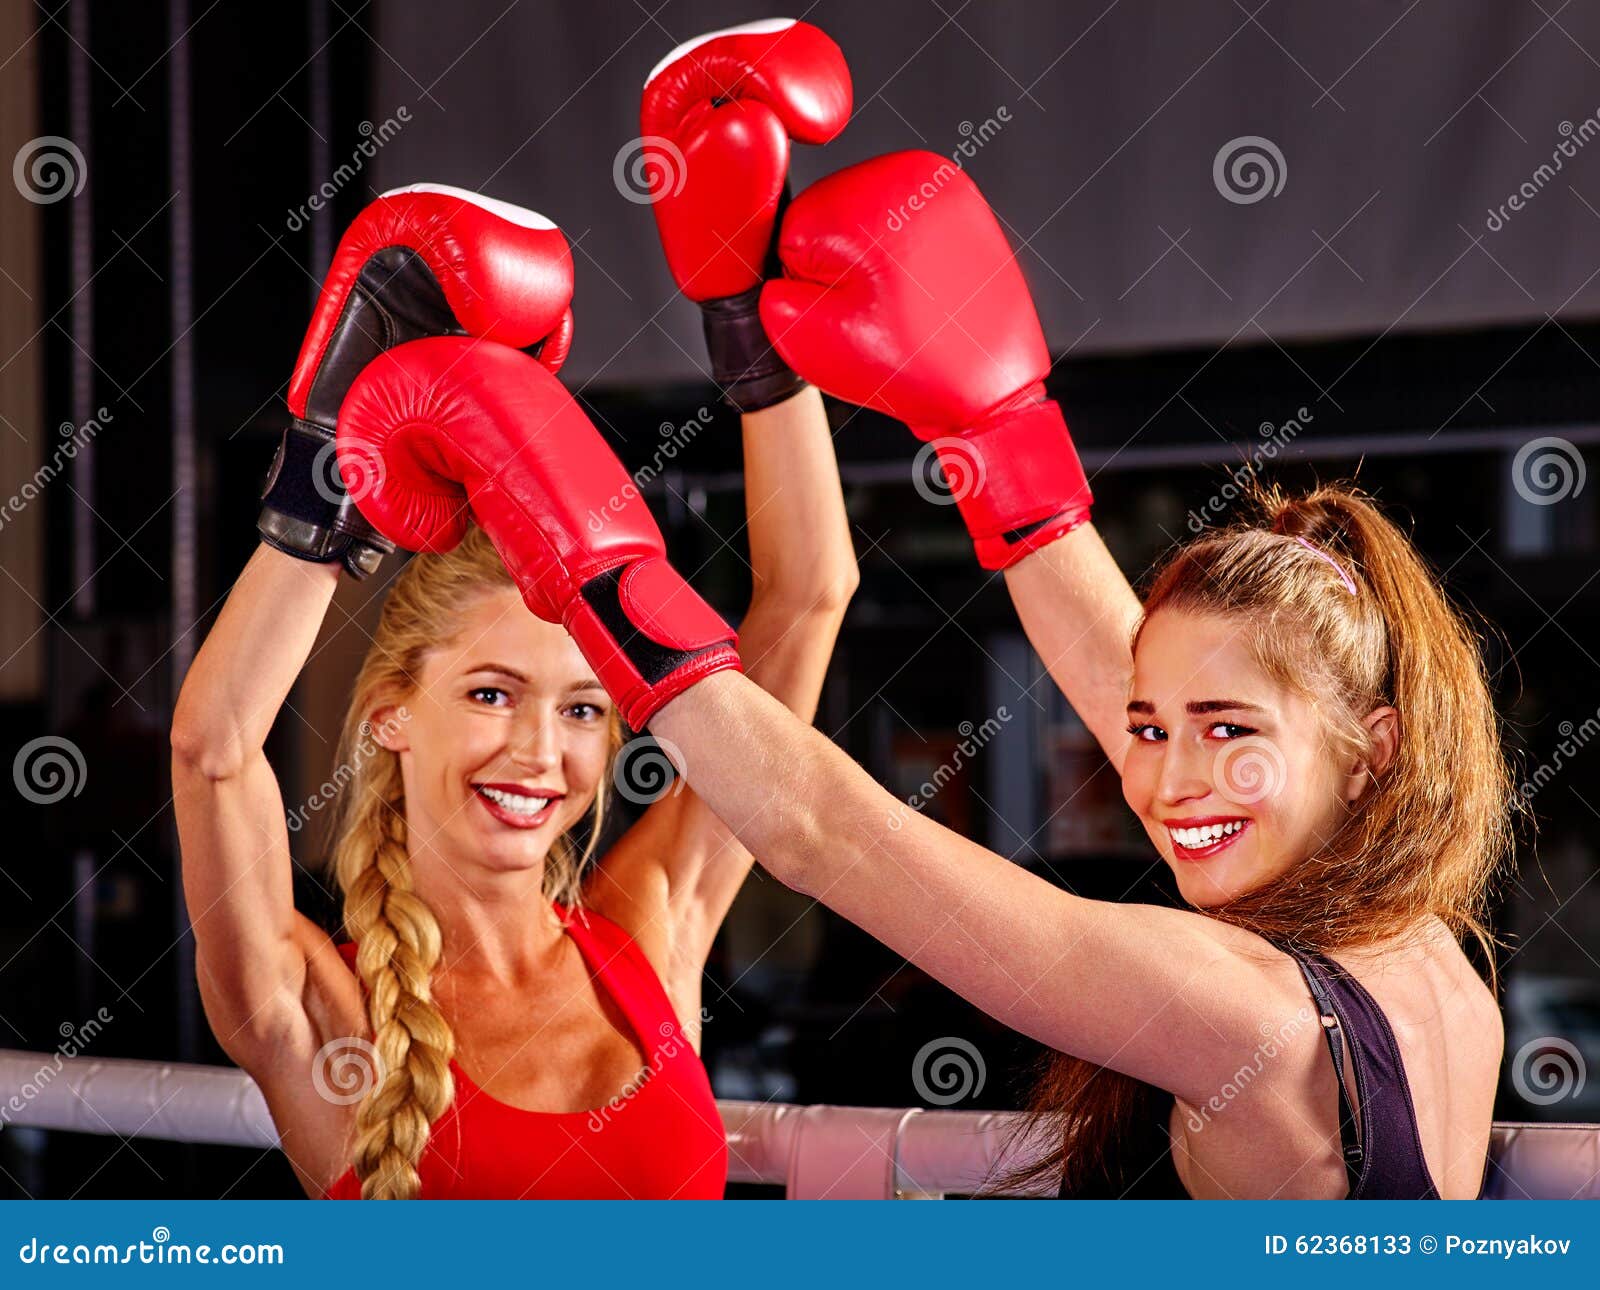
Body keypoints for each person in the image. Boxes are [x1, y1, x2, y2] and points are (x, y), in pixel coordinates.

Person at [336, 149, 1521, 1201]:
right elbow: (1176, 696)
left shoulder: (1244, 1011)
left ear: (1371, 748)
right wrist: (1002, 433)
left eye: (1223, 733)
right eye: (1147, 729)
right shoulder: (1425, 955)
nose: (1166, 781)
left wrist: (595, 575)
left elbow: (820, 831)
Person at [171, 128, 856, 1199]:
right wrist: (325, 476)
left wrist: (748, 321)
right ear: (392, 712)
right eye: (492, 693)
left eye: (586, 709)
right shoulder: (314, 1008)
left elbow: (807, 600)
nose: (541, 754)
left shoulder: (648, 926)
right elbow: (213, 749)